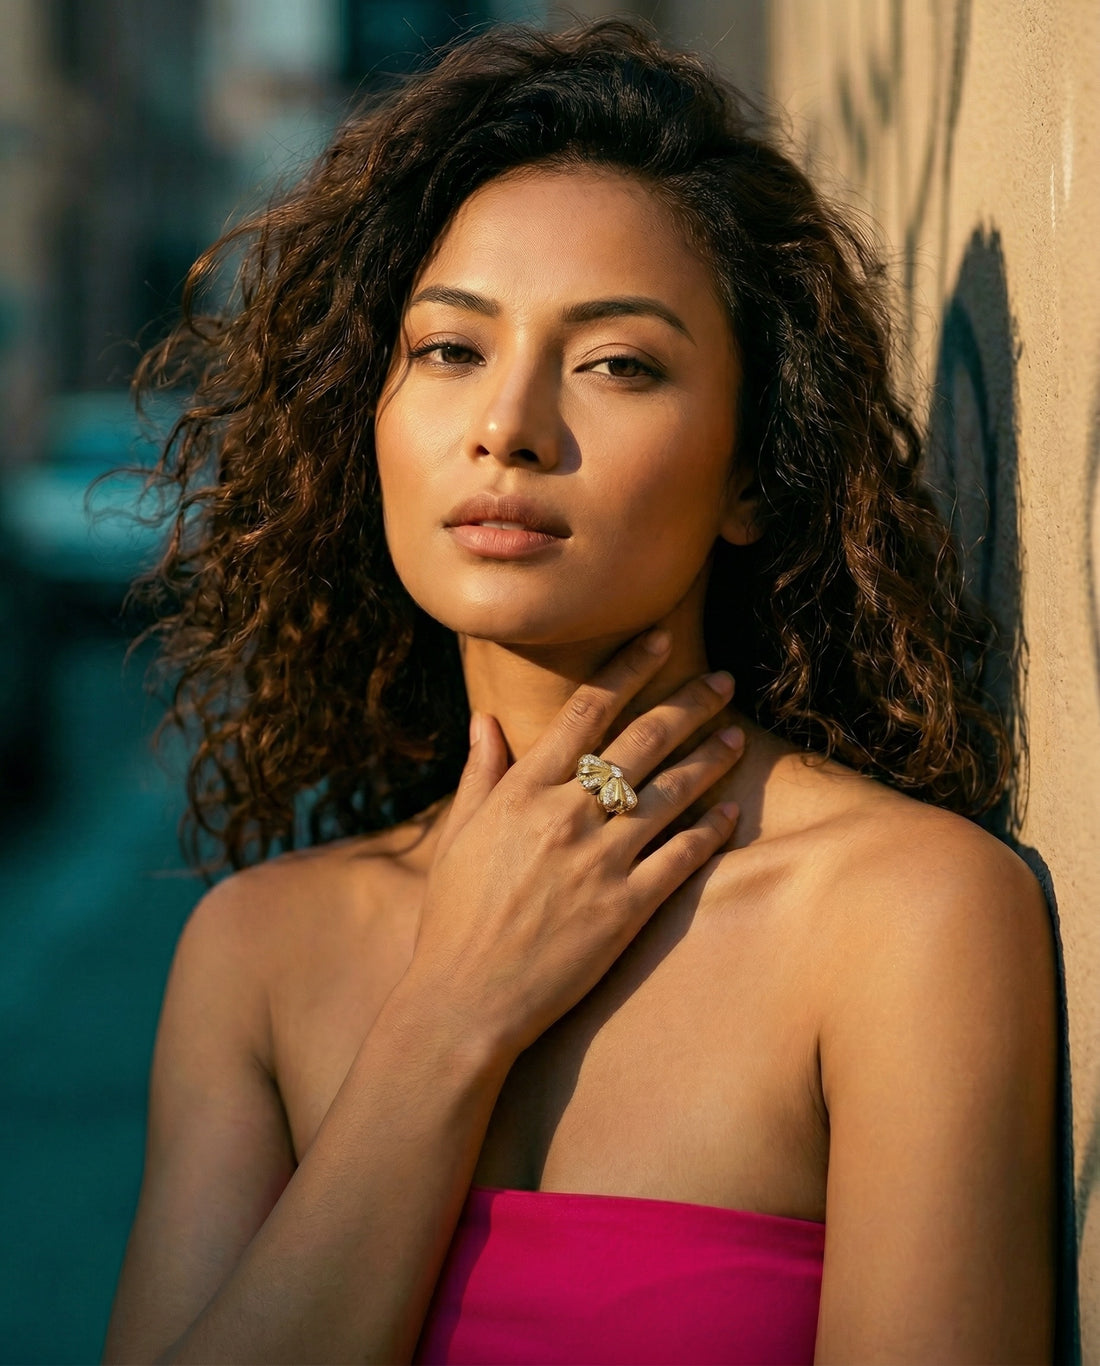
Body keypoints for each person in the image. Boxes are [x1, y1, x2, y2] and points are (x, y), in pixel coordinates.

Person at [102, 18, 1057, 1365]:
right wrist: (451, 1017)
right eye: (449, 350)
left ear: (748, 469)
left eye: (617, 362)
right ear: (362, 417)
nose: (511, 424)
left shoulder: (906, 919)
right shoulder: (257, 956)